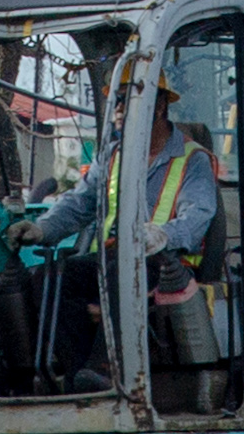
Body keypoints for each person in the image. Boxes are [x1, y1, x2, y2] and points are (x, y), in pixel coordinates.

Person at [13, 114, 222, 389]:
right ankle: (79, 376)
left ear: (159, 104)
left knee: (122, 272)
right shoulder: (113, 155)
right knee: (50, 277)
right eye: (117, 102)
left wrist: (162, 235)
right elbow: (79, 203)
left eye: (124, 101)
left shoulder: (193, 159)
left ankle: (107, 368)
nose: (119, 111)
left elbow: (197, 214)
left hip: (167, 263)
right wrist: (42, 229)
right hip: (115, 258)